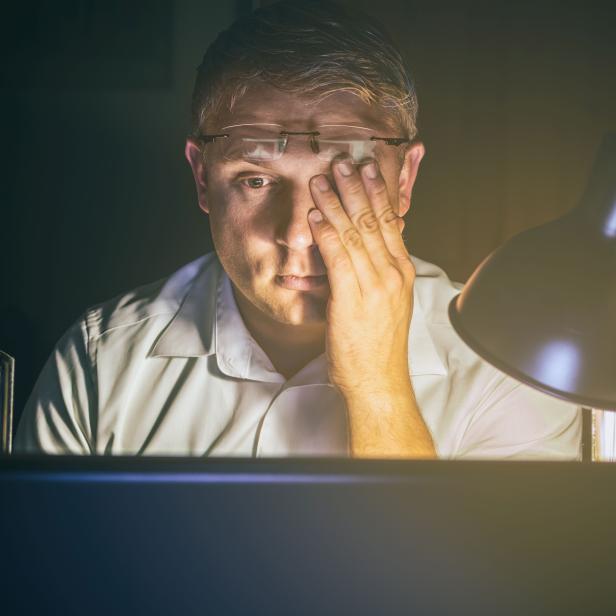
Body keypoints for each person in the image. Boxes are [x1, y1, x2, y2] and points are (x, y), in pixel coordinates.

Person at [14, 0, 581, 458]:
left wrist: (378, 386)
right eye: (256, 181)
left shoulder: (504, 371)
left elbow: (479, 593)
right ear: (202, 177)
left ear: (404, 178)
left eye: (342, 180)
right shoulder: (99, 365)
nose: (298, 234)